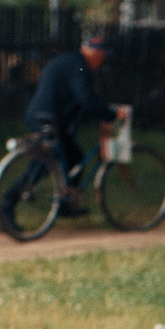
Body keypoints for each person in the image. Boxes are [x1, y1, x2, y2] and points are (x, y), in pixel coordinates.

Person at [24, 35, 131, 209]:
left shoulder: (71, 61)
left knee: (73, 157)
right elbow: (86, 99)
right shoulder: (79, 67)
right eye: (102, 55)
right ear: (94, 53)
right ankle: (8, 204)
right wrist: (110, 114)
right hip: (49, 119)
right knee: (45, 163)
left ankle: (66, 204)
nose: (102, 61)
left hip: (43, 116)